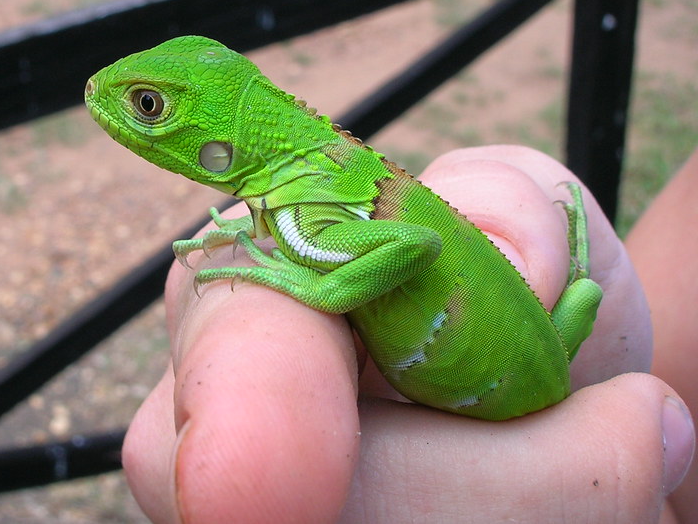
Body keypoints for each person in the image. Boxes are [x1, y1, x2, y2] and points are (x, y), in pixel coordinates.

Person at [121, 145, 696, 523]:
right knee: (585, 293)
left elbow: (415, 243)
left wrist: (316, 289)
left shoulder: (308, 205)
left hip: (510, 389)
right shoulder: (301, 195)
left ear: (219, 151)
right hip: (544, 367)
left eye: (149, 108)